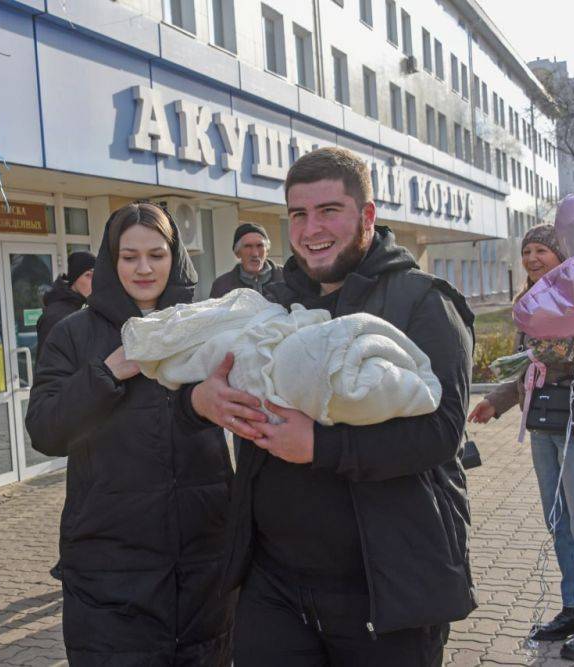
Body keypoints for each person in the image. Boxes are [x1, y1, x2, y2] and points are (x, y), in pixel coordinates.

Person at [177, 147, 476, 665]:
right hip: (271, 586)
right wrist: (199, 399)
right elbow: (195, 365)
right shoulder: (269, 301)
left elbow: (443, 431)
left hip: (385, 590)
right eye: (298, 214)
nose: (311, 228)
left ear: (367, 216)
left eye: (329, 210)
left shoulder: (423, 302)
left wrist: (320, 445)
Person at [25, 202, 236, 666]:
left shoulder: (204, 329)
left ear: (175, 258)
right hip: (111, 573)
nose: (144, 268)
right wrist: (109, 372)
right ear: (110, 260)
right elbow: (45, 429)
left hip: (203, 566)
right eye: (129, 256)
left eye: (157, 255)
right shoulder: (73, 335)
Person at [468, 224, 574, 661]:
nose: (534, 258)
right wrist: (496, 402)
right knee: (558, 521)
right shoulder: (528, 307)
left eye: (542, 251)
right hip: (545, 425)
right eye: (527, 251)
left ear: (562, 258)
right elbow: (527, 370)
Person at [35, 251, 95, 362]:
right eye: (88, 275)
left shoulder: (84, 308)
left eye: (96, 275)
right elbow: (47, 367)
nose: (94, 281)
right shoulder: (55, 316)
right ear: (75, 278)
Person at [209, 223, 283, 298]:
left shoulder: (286, 277)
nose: (255, 254)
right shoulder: (222, 285)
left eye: (260, 246)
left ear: (267, 251)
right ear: (237, 253)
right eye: (248, 246)